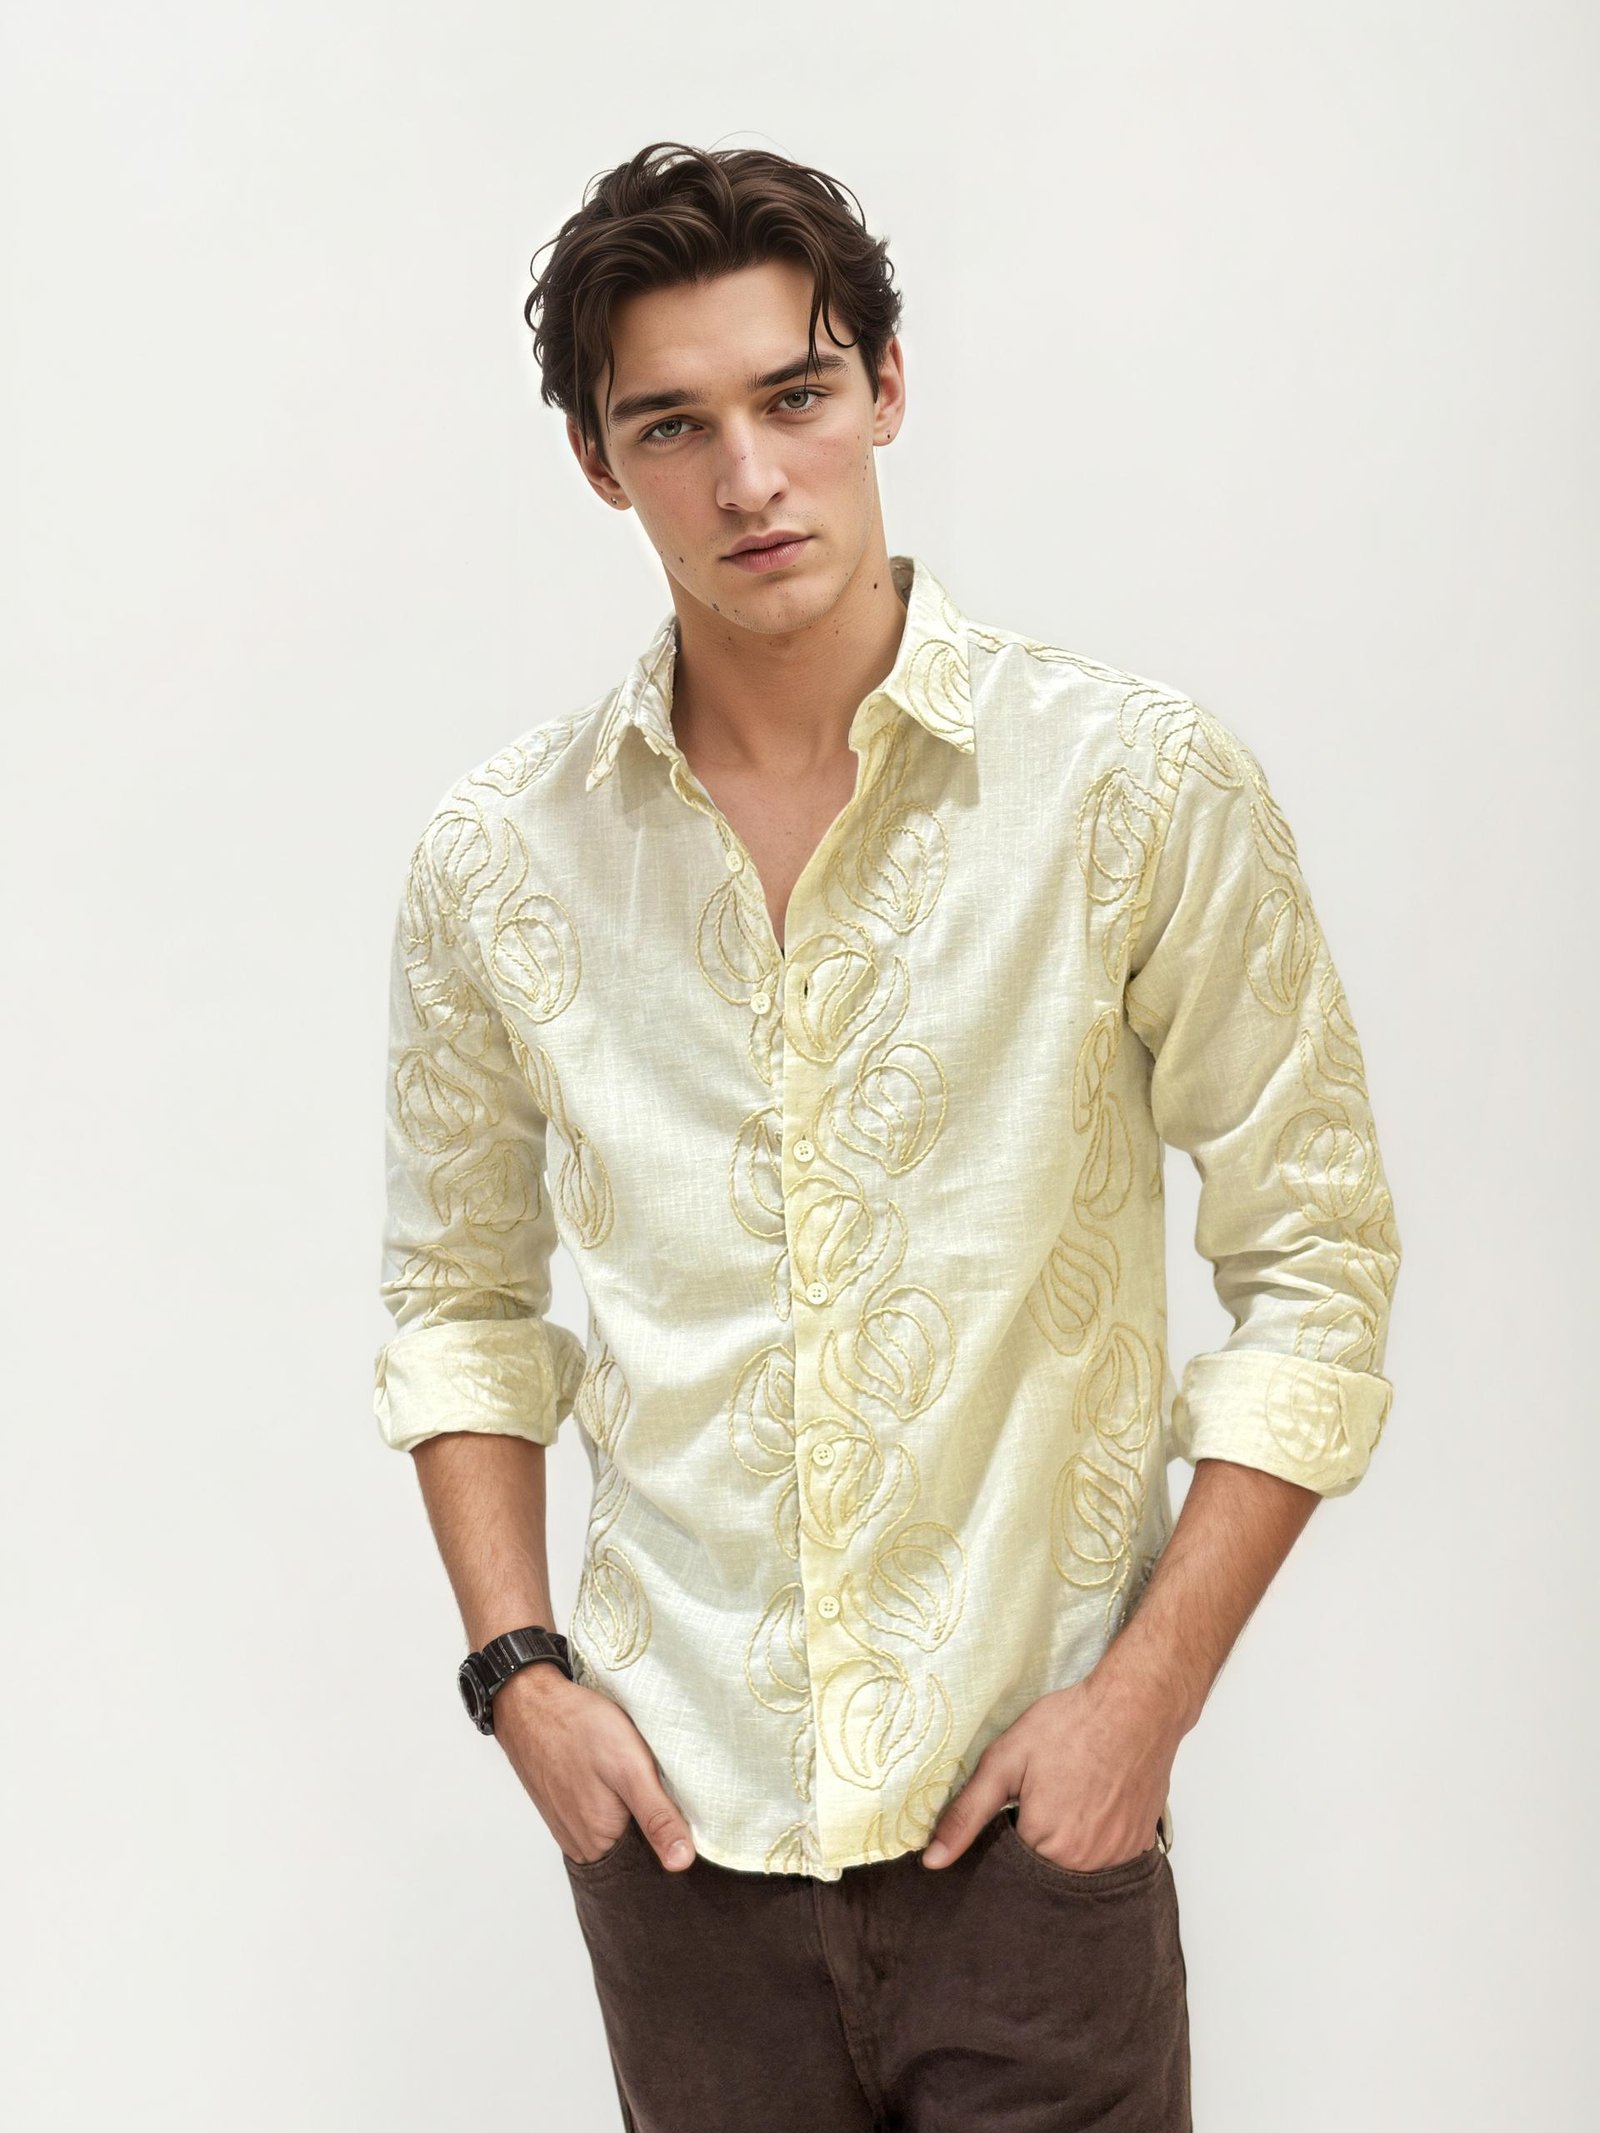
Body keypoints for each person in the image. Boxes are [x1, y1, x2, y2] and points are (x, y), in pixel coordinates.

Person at [371, 139, 1402, 2132]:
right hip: (677, 1849)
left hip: (1035, 1835)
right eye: (673, 425)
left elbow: (1318, 1263)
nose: (748, 477)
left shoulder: (1130, 789)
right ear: (597, 462)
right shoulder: (500, 860)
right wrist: (521, 1681)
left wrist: (1142, 1704)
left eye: (795, 395)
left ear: (886, 387)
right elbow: (459, 1300)